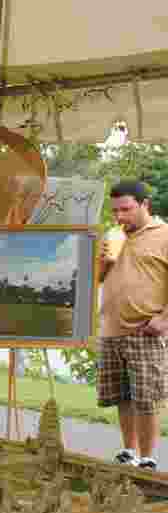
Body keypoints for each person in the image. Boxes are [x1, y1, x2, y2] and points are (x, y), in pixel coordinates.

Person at [98, 180, 168, 470]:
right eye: (115, 211)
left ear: (144, 205)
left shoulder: (164, 235)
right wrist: (104, 262)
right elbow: (98, 279)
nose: (120, 216)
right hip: (111, 328)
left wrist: (164, 320)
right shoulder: (113, 236)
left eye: (126, 209)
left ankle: (148, 458)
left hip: (146, 330)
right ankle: (129, 451)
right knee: (122, 396)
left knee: (146, 398)